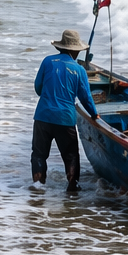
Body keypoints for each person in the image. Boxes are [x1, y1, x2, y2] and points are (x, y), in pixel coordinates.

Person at [32, 29, 99, 193]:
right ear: (74, 50)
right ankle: (72, 189)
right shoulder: (79, 70)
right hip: (65, 119)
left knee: (39, 155)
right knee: (71, 156)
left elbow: (38, 88)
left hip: (43, 116)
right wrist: (94, 114)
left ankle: (38, 188)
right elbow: (85, 98)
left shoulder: (47, 62)